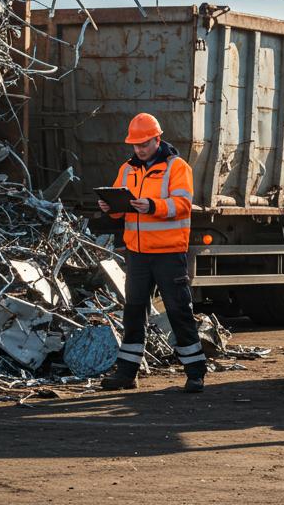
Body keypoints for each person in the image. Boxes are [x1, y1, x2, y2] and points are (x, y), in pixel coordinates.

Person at [96, 112, 208, 393]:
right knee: (133, 312)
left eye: (144, 143)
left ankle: (195, 373)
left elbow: (182, 204)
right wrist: (112, 208)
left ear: (157, 139)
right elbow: (122, 205)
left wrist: (154, 206)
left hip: (169, 254)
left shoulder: (177, 167)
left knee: (178, 311)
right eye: (135, 145)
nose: (140, 149)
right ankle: (127, 374)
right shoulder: (127, 169)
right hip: (137, 254)